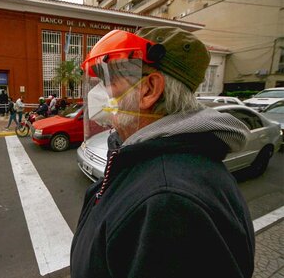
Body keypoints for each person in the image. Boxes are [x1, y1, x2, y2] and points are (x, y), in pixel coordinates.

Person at [71, 27, 255, 278]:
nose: (100, 92)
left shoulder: (169, 204)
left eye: (110, 80)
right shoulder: (145, 160)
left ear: (149, 89)